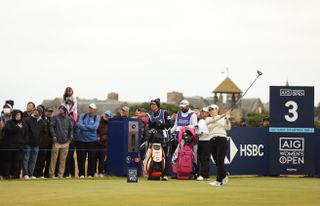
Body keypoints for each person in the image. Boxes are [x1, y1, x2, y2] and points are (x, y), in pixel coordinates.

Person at [206, 104, 231, 186]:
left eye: (213, 109)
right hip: (212, 140)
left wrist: (227, 119)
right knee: (216, 161)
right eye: (210, 110)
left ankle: (219, 180)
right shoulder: (208, 119)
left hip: (222, 139)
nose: (211, 111)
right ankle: (224, 175)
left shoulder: (223, 118)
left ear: (217, 109)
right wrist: (224, 114)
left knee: (220, 160)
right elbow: (214, 119)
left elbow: (228, 128)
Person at [147, 98, 172, 181]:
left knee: (165, 155)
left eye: (153, 104)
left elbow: (170, 124)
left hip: (165, 138)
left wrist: (161, 124)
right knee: (155, 155)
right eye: (151, 104)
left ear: (157, 105)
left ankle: (165, 174)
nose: (152, 106)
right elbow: (149, 126)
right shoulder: (151, 116)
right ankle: (154, 173)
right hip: (155, 139)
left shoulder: (164, 113)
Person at [1, 110, 28, 179]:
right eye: (16, 115)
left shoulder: (23, 123)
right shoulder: (9, 122)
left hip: (19, 147)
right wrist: (17, 127)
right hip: (9, 146)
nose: (18, 116)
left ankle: (14, 175)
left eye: (19, 115)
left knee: (17, 162)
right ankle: (6, 175)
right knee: (8, 161)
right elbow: (6, 130)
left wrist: (24, 142)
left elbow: (26, 134)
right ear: (13, 115)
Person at [49, 104, 73, 178]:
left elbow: (71, 130)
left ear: (65, 110)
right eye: (59, 109)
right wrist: (54, 136)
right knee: (53, 160)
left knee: (63, 160)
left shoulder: (69, 119)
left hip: (65, 143)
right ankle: (51, 174)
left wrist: (70, 139)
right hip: (56, 142)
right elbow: (51, 127)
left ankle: (60, 175)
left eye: (62, 109)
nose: (60, 110)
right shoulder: (54, 118)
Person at [23, 106, 47, 179]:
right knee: (26, 159)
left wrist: (39, 141)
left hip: (36, 144)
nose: (35, 111)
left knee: (33, 160)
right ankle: (26, 174)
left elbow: (44, 133)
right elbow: (25, 131)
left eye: (37, 111)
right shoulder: (28, 120)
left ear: (40, 113)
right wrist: (27, 139)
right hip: (28, 143)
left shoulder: (42, 122)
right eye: (35, 110)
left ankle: (30, 174)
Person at [77, 103, 100, 178]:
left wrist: (85, 127)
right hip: (81, 141)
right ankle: (81, 174)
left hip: (92, 141)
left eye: (92, 108)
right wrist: (90, 127)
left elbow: (95, 127)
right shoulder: (82, 116)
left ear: (94, 109)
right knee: (81, 158)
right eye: (89, 108)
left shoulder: (97, 117)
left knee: (92, 158)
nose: (90, 109)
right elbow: (80, 126)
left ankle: (90, 174)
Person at [96, 110, 112, 177]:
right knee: (95, 158)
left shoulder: (110, 124)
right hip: (96, 143)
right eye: (106, 115)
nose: (106, 116)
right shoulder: (99, 121)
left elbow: (110, 134)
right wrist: (97, 137)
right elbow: (96, 130)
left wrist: (101, 138)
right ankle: (94, 172)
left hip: (105, 144)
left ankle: (101, 172)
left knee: (102, 159)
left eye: (108, 116)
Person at [196, 107, 211, 181]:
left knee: (205, 159)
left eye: (204, 112)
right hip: (200, 141)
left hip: (207, 141)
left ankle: (205, 175)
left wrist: (203, 133)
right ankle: (202, 174)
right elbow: (198, 130)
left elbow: (211, 131)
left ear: (208, 113)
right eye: (202, 112)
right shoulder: (201, 121)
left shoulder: (211, 120)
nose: (202, 113)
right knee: (201, 159)